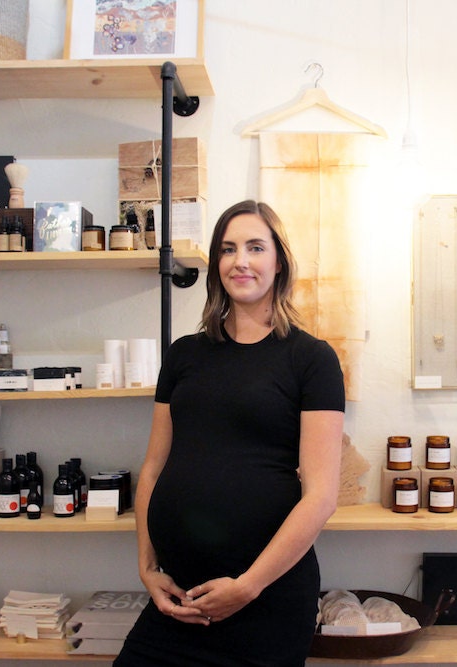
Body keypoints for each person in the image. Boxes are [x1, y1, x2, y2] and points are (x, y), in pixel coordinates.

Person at [114, 200, 345, 666]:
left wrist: (248, 586)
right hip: (177, 600)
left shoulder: (311, 359)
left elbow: (321, 495)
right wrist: (146, 566)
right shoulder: (183, 356)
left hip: (266, 603)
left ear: (278, 262)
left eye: (255, 247)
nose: (240, 261)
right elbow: (154, 468)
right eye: (228, 249)